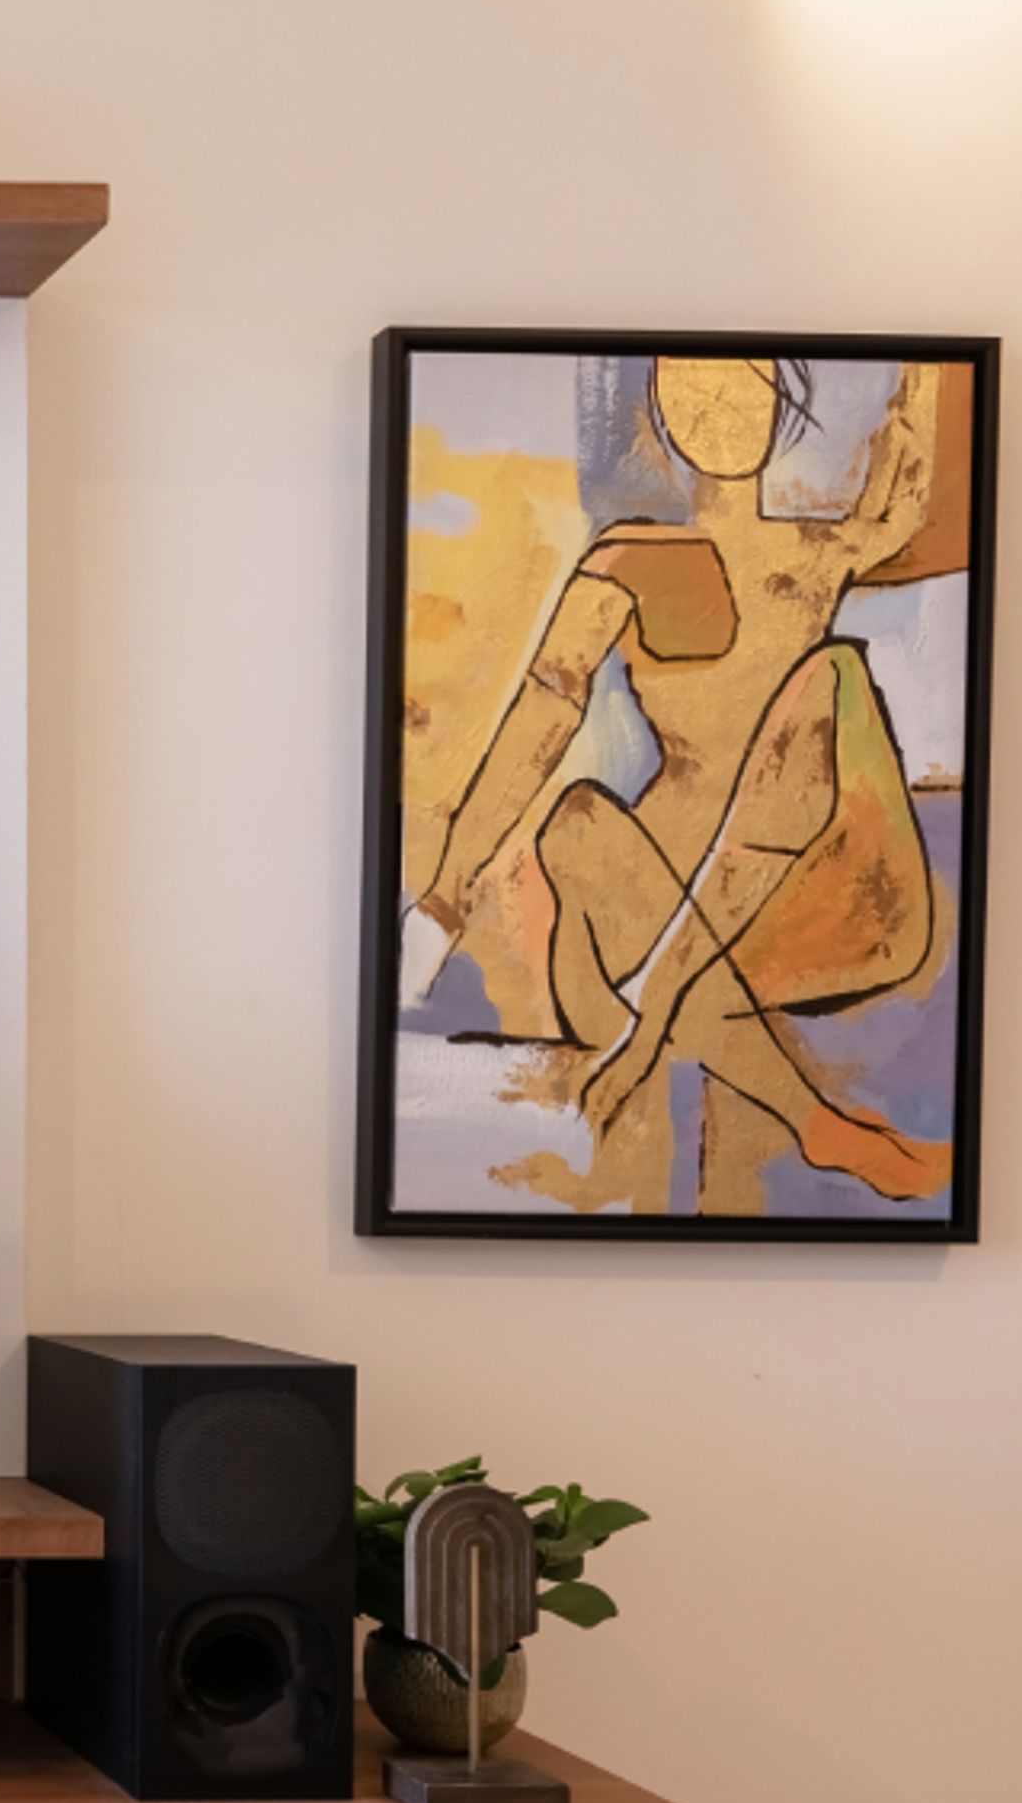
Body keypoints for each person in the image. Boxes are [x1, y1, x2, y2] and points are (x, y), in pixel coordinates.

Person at [399, 356, 953, 1208]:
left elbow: (907, 493)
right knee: (576, 819)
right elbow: (534, 731)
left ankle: (777, 1112)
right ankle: (820, 1127)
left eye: (746, 381)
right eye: (690, 385)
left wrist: (923, 379)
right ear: (659, 408)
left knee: (825, 690)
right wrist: (448, 886)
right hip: (633, 923)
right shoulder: (623, 561)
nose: (720, 402)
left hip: (782, 895)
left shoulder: (816, 550)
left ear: (783, 405)